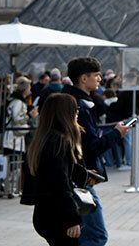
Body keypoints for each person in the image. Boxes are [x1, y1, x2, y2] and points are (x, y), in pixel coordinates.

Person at [64, 57, 131, 246]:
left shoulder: (71, 101)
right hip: (79, 178)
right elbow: (90, 146)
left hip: (76, 175)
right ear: (84, 78)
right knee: (96, 236)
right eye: (97, 75)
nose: (100, 79)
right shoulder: (81, 107)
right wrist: (116, 134)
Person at [22, 93, 89, 245]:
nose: (77, 114)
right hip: (58, 214)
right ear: (64, 114)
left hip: (45, 211)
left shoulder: (43, 139)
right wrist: (72, 218)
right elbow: (60, 183)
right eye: (75, 110)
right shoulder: (58, 142)